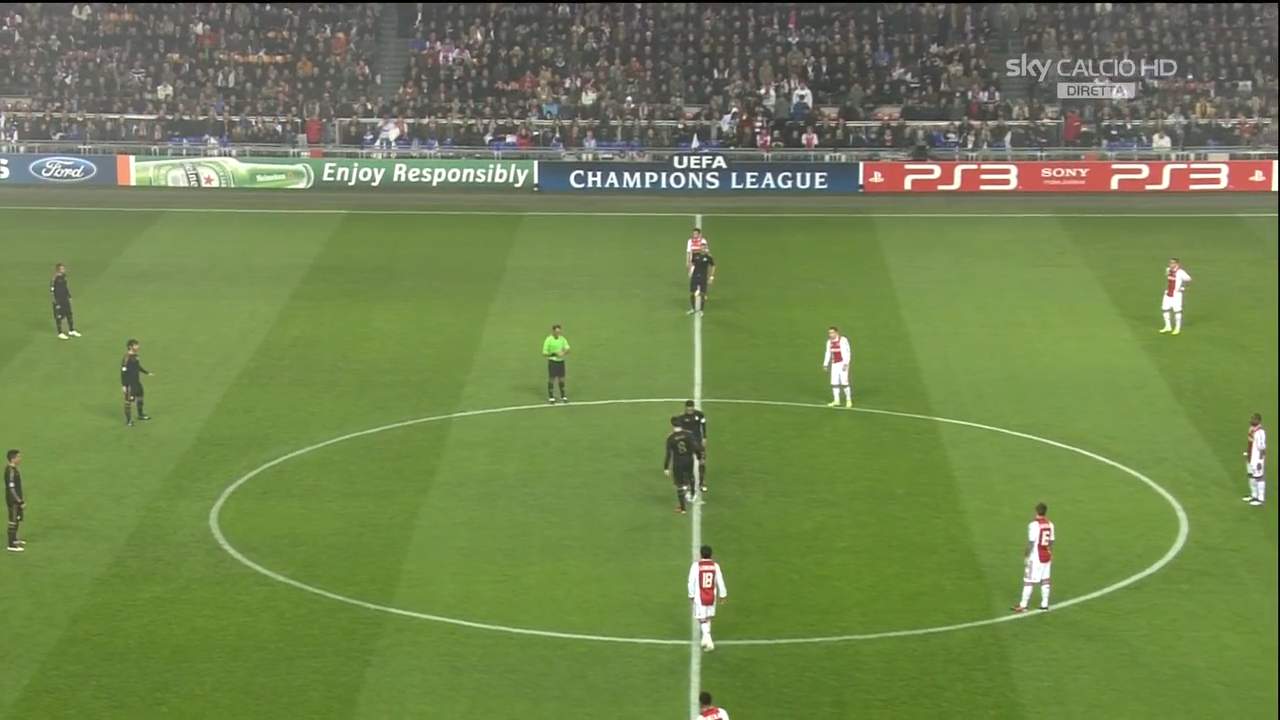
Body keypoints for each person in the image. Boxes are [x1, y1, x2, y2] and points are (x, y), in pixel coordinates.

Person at [1012, 503, 1054, 612]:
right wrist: (1050, 552)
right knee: (1045, 580)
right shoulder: (1050, 524)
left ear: (1036, 511)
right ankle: (1044, 604)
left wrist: (1026, 556)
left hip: (1035, 557)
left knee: (1028, 580)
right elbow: (1051, 541)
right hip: (1046, 556)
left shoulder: (1034, 525)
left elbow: (1031, 543)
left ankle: (1023, 605)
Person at [688, 544, 727, 650]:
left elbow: (691, 581)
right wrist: (723, 594)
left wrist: (691, 595)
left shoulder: (696, 566)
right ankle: (704, 640)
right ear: (711, 555)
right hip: (711, 596)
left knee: (701, 618)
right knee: (708, 617)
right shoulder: (715, 566)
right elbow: (720, 581)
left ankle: (708, 639)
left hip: (700, 597)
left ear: (700, 554)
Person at [664, 417, 703, 513]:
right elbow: (696, 447)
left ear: (672, 425)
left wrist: (666, 467)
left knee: (679, 484)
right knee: (690, 476)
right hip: (689, 459)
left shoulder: (670, 438)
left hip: (678, 462)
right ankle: (693, 494)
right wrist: (698, 456)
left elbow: (668, 454)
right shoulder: (688, 434)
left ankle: (682, 508)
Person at [675, 400, 709, 493]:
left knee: (702, 461)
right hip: (687, 443)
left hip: (698, 442)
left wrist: (704, 437)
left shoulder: (700, 415)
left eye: (691, 409)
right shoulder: (681, 418)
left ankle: (702, 483)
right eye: (688, 409)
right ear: (685, 408)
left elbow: (703, 425)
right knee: (686, 463)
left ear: (693, 408)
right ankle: (687, 483)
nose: (690, 410)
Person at [121, 338, 153, 426]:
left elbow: (138, 367)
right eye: (136, 345)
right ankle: (128, 421)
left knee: (140, 397)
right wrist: (124, 385)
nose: (138, 347)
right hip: (130, 384)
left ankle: (140, 415)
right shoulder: (126, 358)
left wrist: (147, 372)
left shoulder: (136, 356)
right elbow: (123, 372)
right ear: (130, 347)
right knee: (128, 402)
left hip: (137, 382)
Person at [1160, 257, 1192, 335]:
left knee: (1177, 311)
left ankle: (1177, 328)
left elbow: (1189, 279)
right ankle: (1168, 326)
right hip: (1168, 293)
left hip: (1176, 295)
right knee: (1165, 309)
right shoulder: (1168, 270)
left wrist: (1182, 287)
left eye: (1172, 263)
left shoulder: (1181, 272)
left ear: (1177, 264)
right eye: (1170, 263)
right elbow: (1169, 279)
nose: (1170, 264)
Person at [822, 326, 853, 408]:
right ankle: (836, 400)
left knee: (844, 383)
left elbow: (848, 352)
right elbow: (828, 353)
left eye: (832, 332)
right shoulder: (829, 342)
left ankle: (848, 400)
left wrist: (846, 363)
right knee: (834, 383)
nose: (830, 334)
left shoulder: (843, 340)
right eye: (829, 333)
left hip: (842, 363)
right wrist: (825, 364)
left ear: (836, 333)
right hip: (834, 364)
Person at [51, 263, 81, 340]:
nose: (64, 270)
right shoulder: (54, 278)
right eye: (62, 268)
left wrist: (69, 295)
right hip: (58, 300)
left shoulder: (63, 277)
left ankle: (71, 330)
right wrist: (55, 301)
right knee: (59, 316)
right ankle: (60, 333)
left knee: (69, 314)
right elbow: (52, 290)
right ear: (58, 269)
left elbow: (65, 287)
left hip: (65, 299)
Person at [541, 324, 570, 404]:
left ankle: (563, 396)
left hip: (561, 362)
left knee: (561, 379)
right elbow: (544, 353)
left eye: (559, 332)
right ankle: (551, 397)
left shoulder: (562, 339)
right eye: (556, 332)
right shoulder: (548, 340)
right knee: (552, 379)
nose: (558, 333)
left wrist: (563, 353)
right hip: (552, 362)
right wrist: (554, 354)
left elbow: (568, 349)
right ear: (553, 331)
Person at [1244, 413, 1267, 507]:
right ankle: (1254, 496)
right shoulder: (1251, 429)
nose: (1251, 420)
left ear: (1258, 421)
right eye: (1251, 418)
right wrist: (1248, 454)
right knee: (1251, 476)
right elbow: (1250, 443)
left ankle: (1260, 499)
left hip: (1257, 459)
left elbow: (1262, 448)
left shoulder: (1260, 432)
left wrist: (1260, 461)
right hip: (1251, 457)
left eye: (1254, 419)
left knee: (1259, 477)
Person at [688, 246, 716, 316]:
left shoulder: (708, 257)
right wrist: (690, 271)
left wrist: (711, 277)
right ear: (700, 249)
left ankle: (701, 310)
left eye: (705, 248)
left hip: (703, 277)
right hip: (695, 276)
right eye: (702, 248)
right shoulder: (695, 255)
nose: (703, 249)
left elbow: (713, 266)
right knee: (692, 293)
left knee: (703, 293)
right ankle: (693, 309)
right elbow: (692, 264)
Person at [5, 449, 24, 552]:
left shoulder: (14, 469)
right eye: (18, 457)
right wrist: (19, 501)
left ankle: (15, 539)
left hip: (16, 499)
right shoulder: (11, 471)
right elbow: (11, 488)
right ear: (13, 459)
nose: (20, 459)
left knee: (16, 518)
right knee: (12, 520)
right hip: (13, 501)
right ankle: (11, 545)